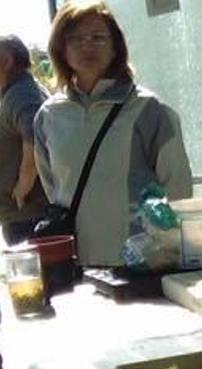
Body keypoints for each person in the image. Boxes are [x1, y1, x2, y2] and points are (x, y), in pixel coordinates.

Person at [33, 0, 193, 267]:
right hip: (77, 266)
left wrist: (163, 251)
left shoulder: (148, 109)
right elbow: (53, 188)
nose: (87, 46)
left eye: (98, 37)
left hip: (138, 264)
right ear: (61, 48)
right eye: (75, 39)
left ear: (116, 46)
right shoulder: (49, 116)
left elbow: (177, 188)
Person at [0, 35, 48, 246]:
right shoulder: (21, 91)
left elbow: (36, 136)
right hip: (25, 215)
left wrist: (23, 184)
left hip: (28, 216)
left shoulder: (20, 94)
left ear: (7, 61)